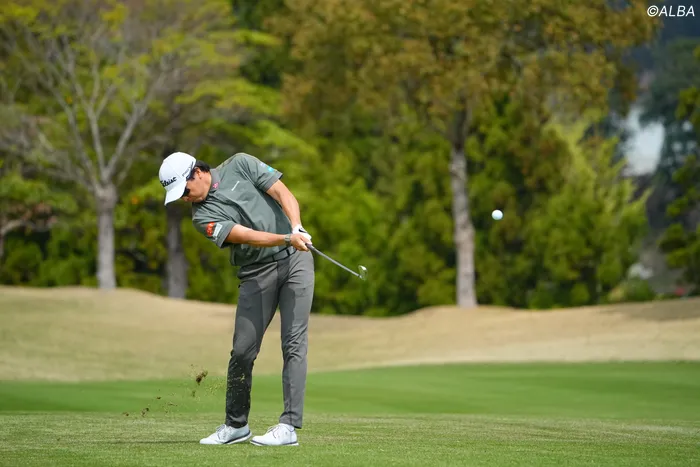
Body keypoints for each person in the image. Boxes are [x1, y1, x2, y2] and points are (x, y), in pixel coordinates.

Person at [158, 151, 315, 447]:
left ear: (198, 173)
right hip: (256, 273)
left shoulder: (240, 164)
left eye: (185, 191)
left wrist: (296, 226)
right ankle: (236, 425)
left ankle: (288, 426)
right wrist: (285, 237)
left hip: (296, 261)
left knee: (294, 342)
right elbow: (244, 235)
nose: (185, 198)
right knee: (243, 351)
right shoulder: (201, 217)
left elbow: (282, 192)